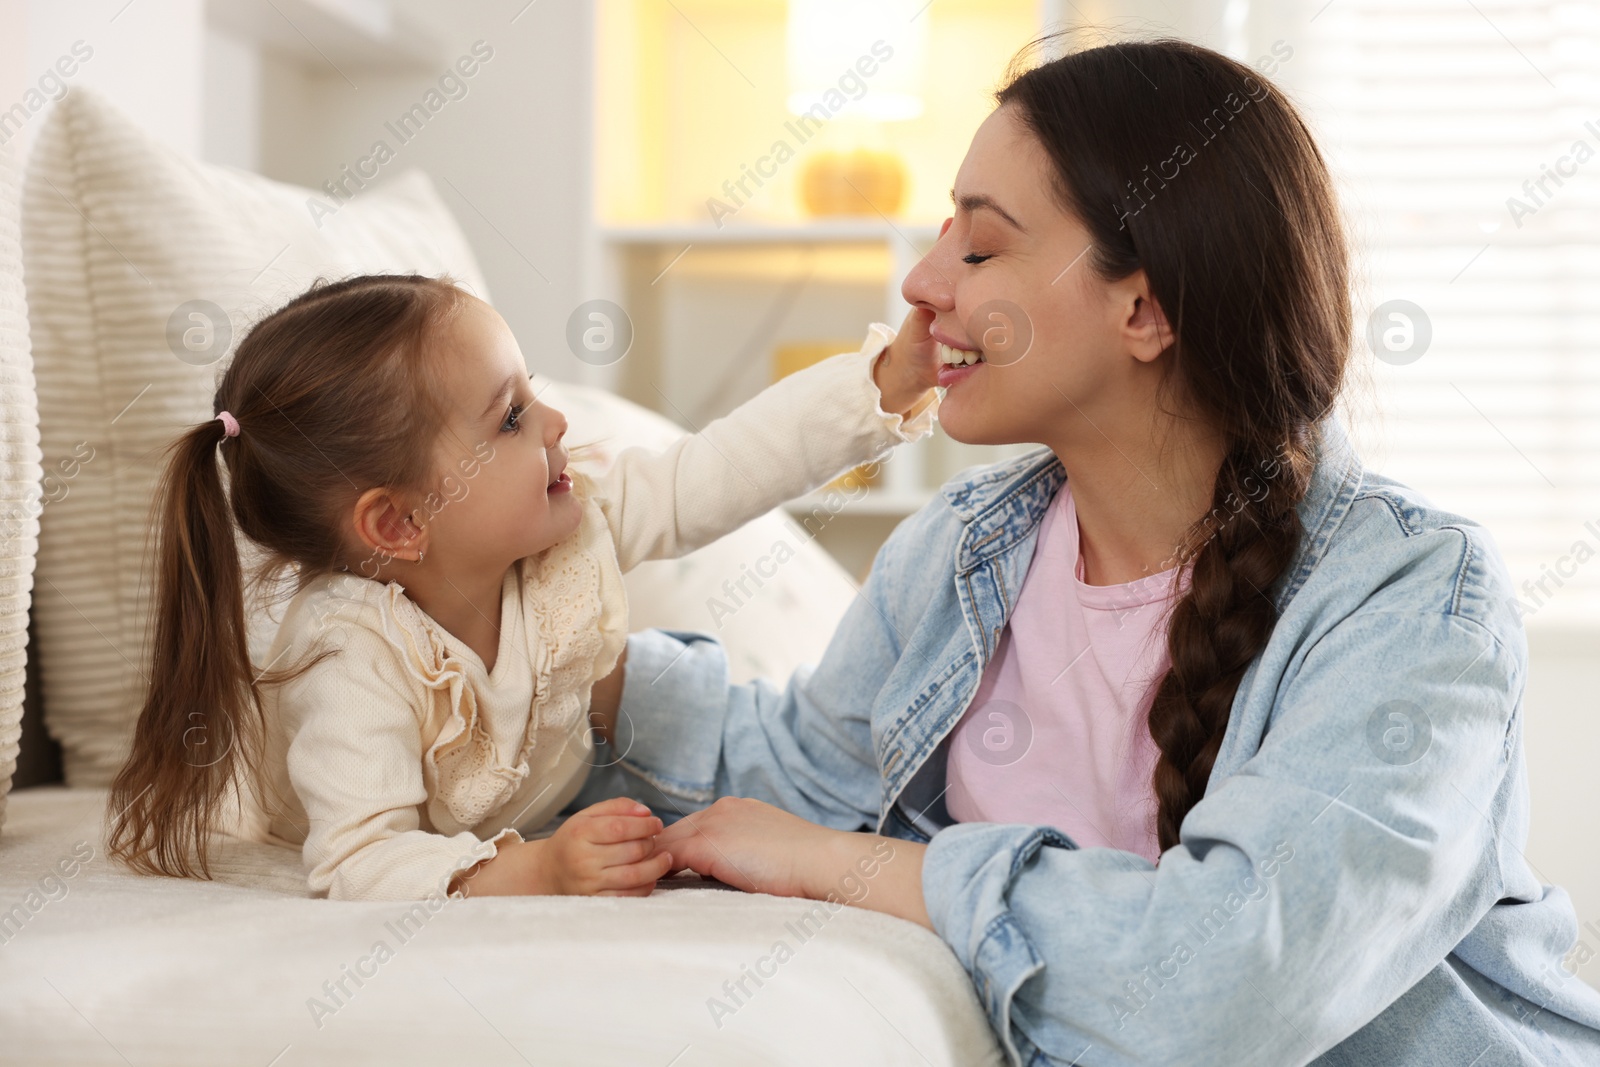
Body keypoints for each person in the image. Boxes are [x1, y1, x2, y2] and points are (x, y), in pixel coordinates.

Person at [587, 38, 1600, 1064]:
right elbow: (801, 770)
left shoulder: (1410, 603)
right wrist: (535, 649)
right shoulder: (958, 552)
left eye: (979, 249)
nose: (923, 281)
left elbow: (1218, 988)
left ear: (1143, 308)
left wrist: (850, 868)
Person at [106, 273, 941, 902]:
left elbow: (713, 472)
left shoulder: (566, 528)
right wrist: (535, 866)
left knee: (868, 757)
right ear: (399, 524)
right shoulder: (349, 658)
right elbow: (359, 859)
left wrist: (881, 385)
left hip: (626, 731)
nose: (555, 423)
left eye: (533, 393)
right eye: (510, 417)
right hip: (559, 789)